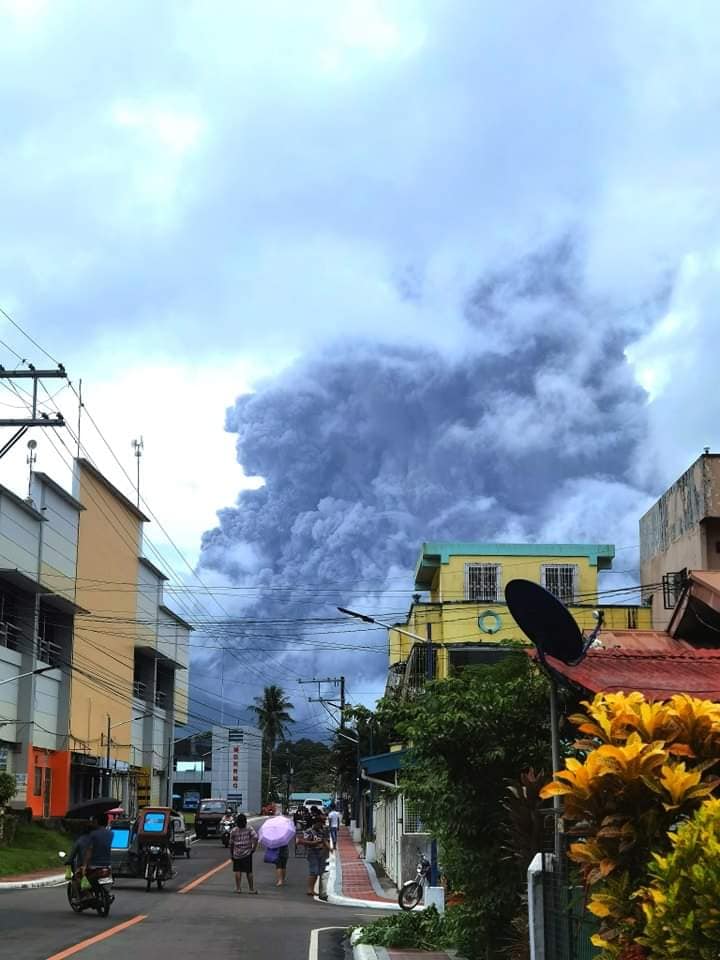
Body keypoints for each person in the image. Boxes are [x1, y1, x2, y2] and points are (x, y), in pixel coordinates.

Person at [229, 813, 258, 893]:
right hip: (247, 853)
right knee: (249, 871)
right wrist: (254, 848)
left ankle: (238, 889)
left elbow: (231, 843)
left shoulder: (234, 830)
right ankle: (251, 889)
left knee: (237, 870)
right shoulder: (249, 829)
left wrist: (231, 853)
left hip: (237, 853)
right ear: (245, 821)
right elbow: (255, 837)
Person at [303, 814, 330, 900]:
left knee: (320, 871)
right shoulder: (309, 831)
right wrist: (313, 843)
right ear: (315, 823)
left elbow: (325, 840)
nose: (321, 825)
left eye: (322, 823)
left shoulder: (323, 831)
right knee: (313, 871)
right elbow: (305, 842)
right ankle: (309, 889)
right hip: (312, 852)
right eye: (319, 824)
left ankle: (313, 889)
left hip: (321, 853)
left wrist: (329, 848)